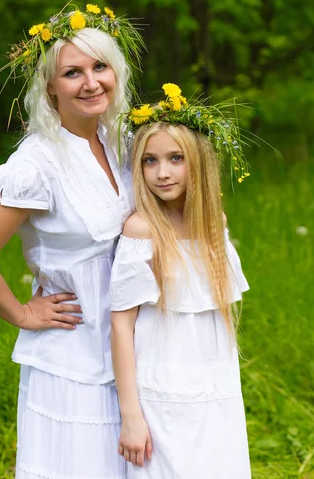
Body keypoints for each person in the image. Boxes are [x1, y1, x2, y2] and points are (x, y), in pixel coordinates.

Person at [0, 3, 145, 479]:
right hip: (72, 356)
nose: (91, 82)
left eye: (100, 67)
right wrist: (22, 313)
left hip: (135, 345)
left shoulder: (121, 141)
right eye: (73, 72)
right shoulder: (36, 163)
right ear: (49, 86)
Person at [110, 83, 251, 478]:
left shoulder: (212, 223)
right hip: (162, 381)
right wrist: (131, 415)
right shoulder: (142, 230)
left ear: (198, 162)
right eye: (150, 161)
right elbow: (122, 324)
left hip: (214, 375)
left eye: (176, 158)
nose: (163, 172)